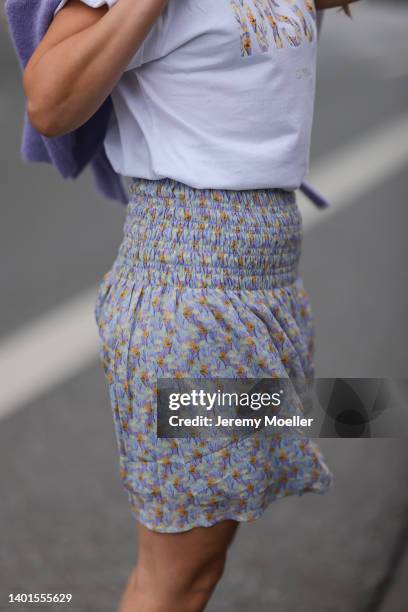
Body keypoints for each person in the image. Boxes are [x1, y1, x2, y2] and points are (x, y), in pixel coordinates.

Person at [21, 1, 356, 610]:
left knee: (203, 559)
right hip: (194, 297)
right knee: (179, 575)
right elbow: (49, 101)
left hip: (270, 289)